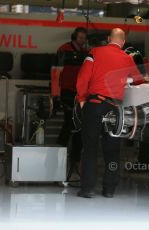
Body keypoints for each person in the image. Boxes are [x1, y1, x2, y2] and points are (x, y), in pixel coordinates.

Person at [76, 28, 144, 198]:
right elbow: (138, 81)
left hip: (95, 103)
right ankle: (109, 189)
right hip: (116, 109)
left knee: (90, 148)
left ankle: (87, 189)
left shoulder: (95, 52)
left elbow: (83, 77)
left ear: (108, 39)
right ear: (123, 42)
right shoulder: (128, 58)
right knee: (113, 149)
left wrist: (82, 100)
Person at [56, 27, 87, 176]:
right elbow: (56, 72)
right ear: (74, 37)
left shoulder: (86, 52)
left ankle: (76, 160)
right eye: (80, 38)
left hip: (80, 93)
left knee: (79, 127)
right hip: (67, 93)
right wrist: (56, 94)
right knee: (68, 124)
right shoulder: (63, 49)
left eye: (84, 38)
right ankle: (57, 156)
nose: (82, 40)